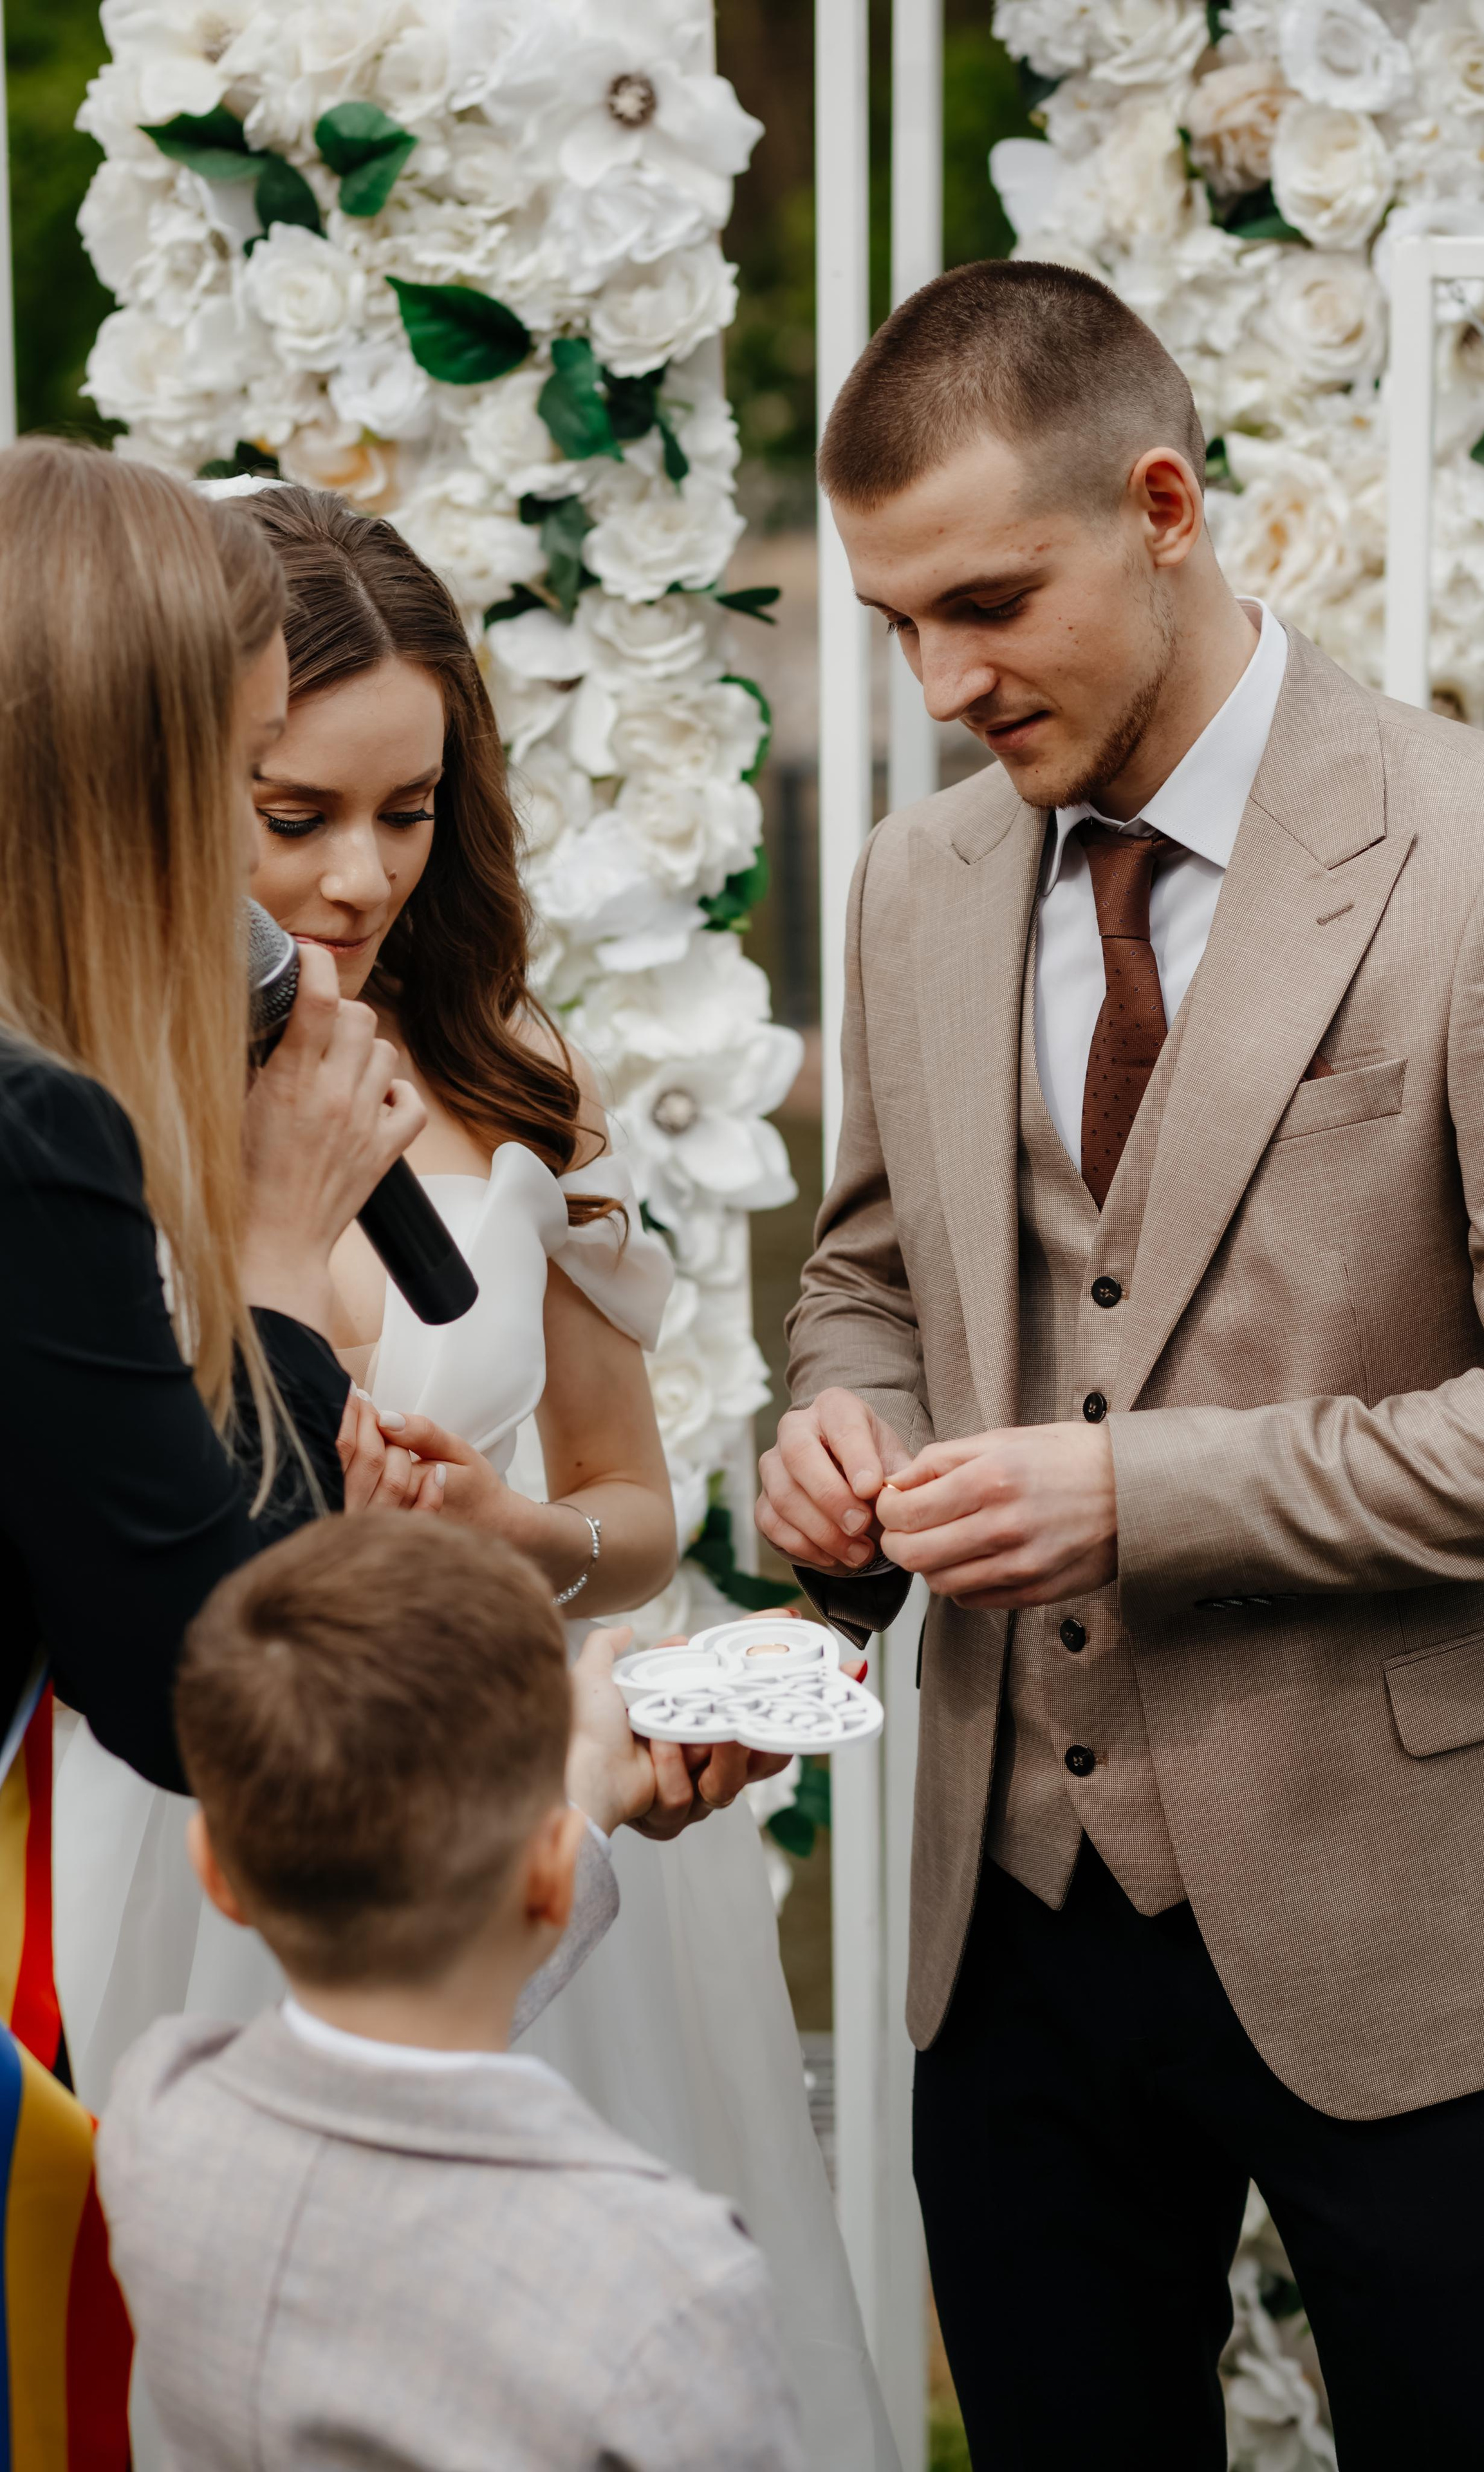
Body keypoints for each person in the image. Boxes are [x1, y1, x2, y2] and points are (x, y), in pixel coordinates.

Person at [759, 258, 1484, 2472]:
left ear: (1162, 502)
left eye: (987, 602)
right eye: (896, 628)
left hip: (1409, 1906)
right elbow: (871, 1268)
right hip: (1012, 1920)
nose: (945, 680)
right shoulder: (914, 886)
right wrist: (829, 1424)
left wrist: (1150, 1495)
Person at [57, 482, 896, 2471]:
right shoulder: (74, 1095)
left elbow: (626, 1501)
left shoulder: (512, 1062)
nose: (358, 879)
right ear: (180, 776)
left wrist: (531, 1540)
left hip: (509, 1819)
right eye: (296, 817)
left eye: (410, 811)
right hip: (180, 1821)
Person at [0, 436, 423, 2460]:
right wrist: (272, 1254)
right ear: (126, 773)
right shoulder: (27, 1134)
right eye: (248, 773)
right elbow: (187, 1672)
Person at [97, 1513, 804, 2472]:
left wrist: (577, 1815)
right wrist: (574, 1816)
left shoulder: (153, 2110)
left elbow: (382, 2062)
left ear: (215, 1871)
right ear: (551, 1872)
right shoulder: (668, 2282)